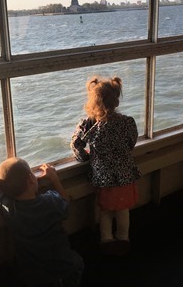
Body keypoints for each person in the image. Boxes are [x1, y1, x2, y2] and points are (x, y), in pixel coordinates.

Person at [70, 76, 141, 256]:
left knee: (106, 210)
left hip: (103, 177)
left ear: (92, 103)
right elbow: (131, 142)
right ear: (116, 101)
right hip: (125, 174)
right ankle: (123, 239)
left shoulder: (89, 124)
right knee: (123, 209)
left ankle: (106, 240)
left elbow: (76, 145)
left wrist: (85, 158)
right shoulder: (127, 122)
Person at [0, 157, 84, 287]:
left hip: (34, 277)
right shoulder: (51, 201)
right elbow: (65, 203)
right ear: (30, 180)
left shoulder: (9, 209)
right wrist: (54, 177)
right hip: (64, 270)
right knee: (77, 263)